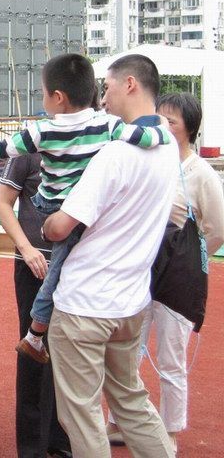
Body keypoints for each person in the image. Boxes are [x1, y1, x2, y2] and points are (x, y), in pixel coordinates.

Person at [0, 53, 170, 364]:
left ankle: (35, 333)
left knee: (57, 267)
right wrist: (164, 127)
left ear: (57, 98)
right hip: (77, 209)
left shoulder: (41, 130)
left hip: (49, 204)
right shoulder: (108, 125)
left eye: (43, 93)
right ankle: (35, 333)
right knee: (58, 267)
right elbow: (147, 136)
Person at [42, 54, 176, 458]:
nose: (104, 96)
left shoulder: (115, 154)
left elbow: (62, 226)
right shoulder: (168, 146)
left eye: (110, 86)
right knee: (131, 401)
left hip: (85, 303)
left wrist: (47, 224)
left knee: (81, 414)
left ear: (130, 84)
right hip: (130, 304)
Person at [107, 92, 224, 453]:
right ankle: (120, 421)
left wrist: (188, 252)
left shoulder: (199, 172)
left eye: (172, 121)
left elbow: (217, 227)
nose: (164, 126)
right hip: (140, 269)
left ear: (189, 128)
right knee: (127, 352)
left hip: (178, 277)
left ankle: (169, 430)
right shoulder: (149, 161)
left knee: (171, 359)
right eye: (160, 118)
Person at [0, 155, 72, 458]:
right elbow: (2, 202)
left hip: (80, 266)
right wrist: (26, 249)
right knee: (34, 350)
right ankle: (32, 447)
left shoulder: (97, 140)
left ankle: (62, 438)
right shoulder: (30, 145)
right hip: (35, 265)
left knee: (71, 351)